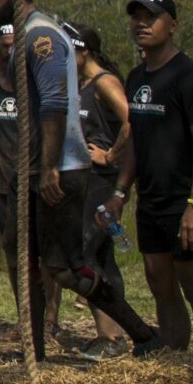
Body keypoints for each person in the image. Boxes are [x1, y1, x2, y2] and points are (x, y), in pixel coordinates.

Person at [0, 0, 161, 360]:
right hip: (30, 170)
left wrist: (48, 168)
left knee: (65, 267)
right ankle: (35, 349)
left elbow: (55, 105)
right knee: (21, 255)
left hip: (59, 170)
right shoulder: (22, 41)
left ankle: (141, 333)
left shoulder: (42, 36)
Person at [115, 0, 193, 353]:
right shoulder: (135, 78)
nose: (142, 24)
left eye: (151, 17)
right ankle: (175, 363)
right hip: (151, 202)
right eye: (136, 17)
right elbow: (135, 142)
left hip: (186, 201)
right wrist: (120, 192)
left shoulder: (192, 78)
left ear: (173, 25)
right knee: (160, 285)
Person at [68, 22, 135, 357]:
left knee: (91, 255)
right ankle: (112, 334)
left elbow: (131, 120)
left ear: (84, 52)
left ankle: (111, 337)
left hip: (103, 182)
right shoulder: (83, 85)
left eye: (69, 51)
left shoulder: (105, 82)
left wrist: (110, 155)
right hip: (86, 181)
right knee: (95, 256)